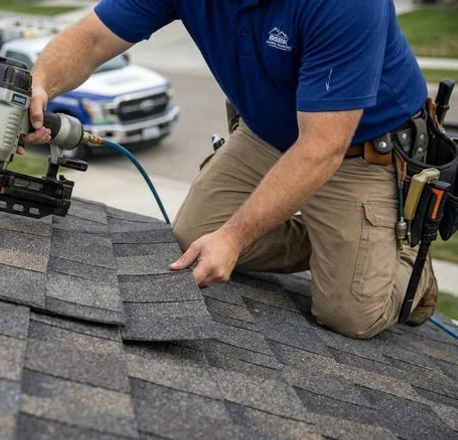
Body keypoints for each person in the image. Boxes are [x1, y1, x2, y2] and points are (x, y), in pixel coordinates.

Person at [21, 0, 438, 339]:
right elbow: (93, 39)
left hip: (356, 149)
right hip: (267, 133)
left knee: (351, 314)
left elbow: (322, 146)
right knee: (194, 239)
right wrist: (40, 82)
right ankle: (343, 243)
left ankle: (396, 261)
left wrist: (236, 235)